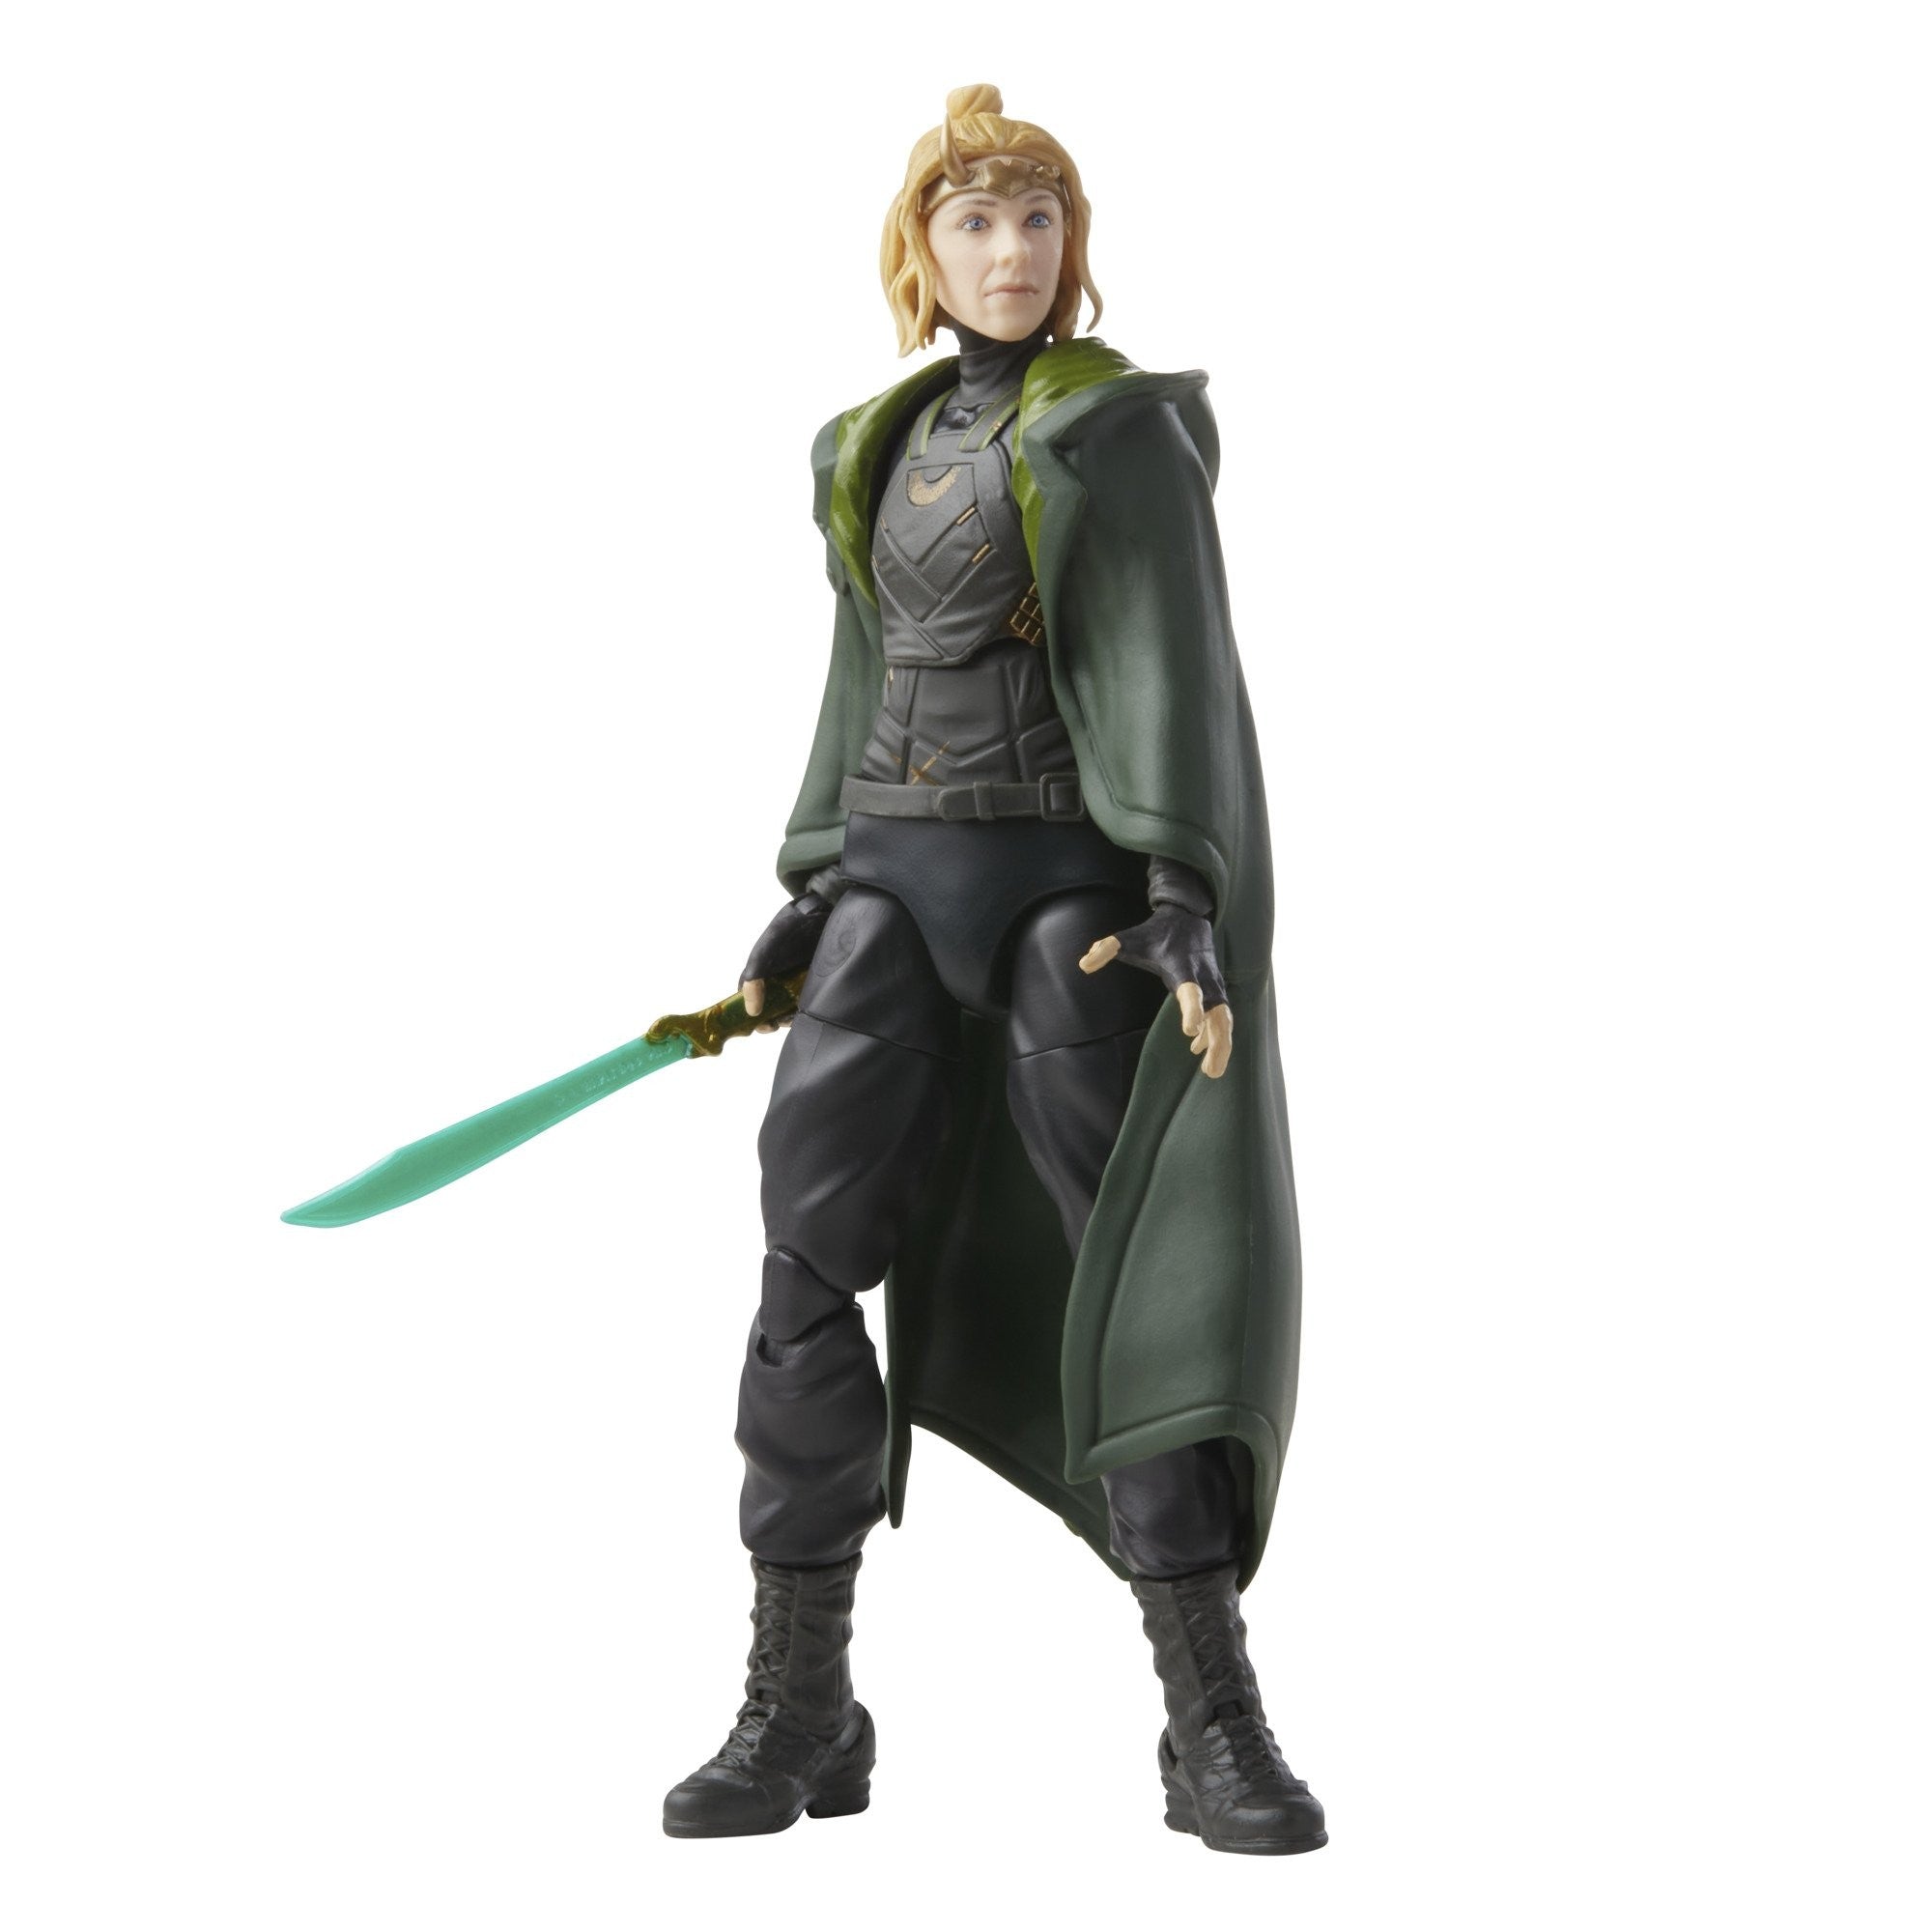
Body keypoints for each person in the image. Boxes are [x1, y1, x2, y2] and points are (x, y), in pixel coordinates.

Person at [662, 85, 1325, 1856]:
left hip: (1065, 903)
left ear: (1070, 245)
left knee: (1138, 1284)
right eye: (977, 222)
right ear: (924, 250)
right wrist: (812, 881)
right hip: (890, 892)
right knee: (804, 1272)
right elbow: (862, 677)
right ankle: (801, 1705)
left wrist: (1183, 881)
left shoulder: (1115, 432)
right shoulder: (867, 444)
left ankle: (1212, 1717)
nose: (1013, 251)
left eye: (1039, 221)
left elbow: (1175, 662)